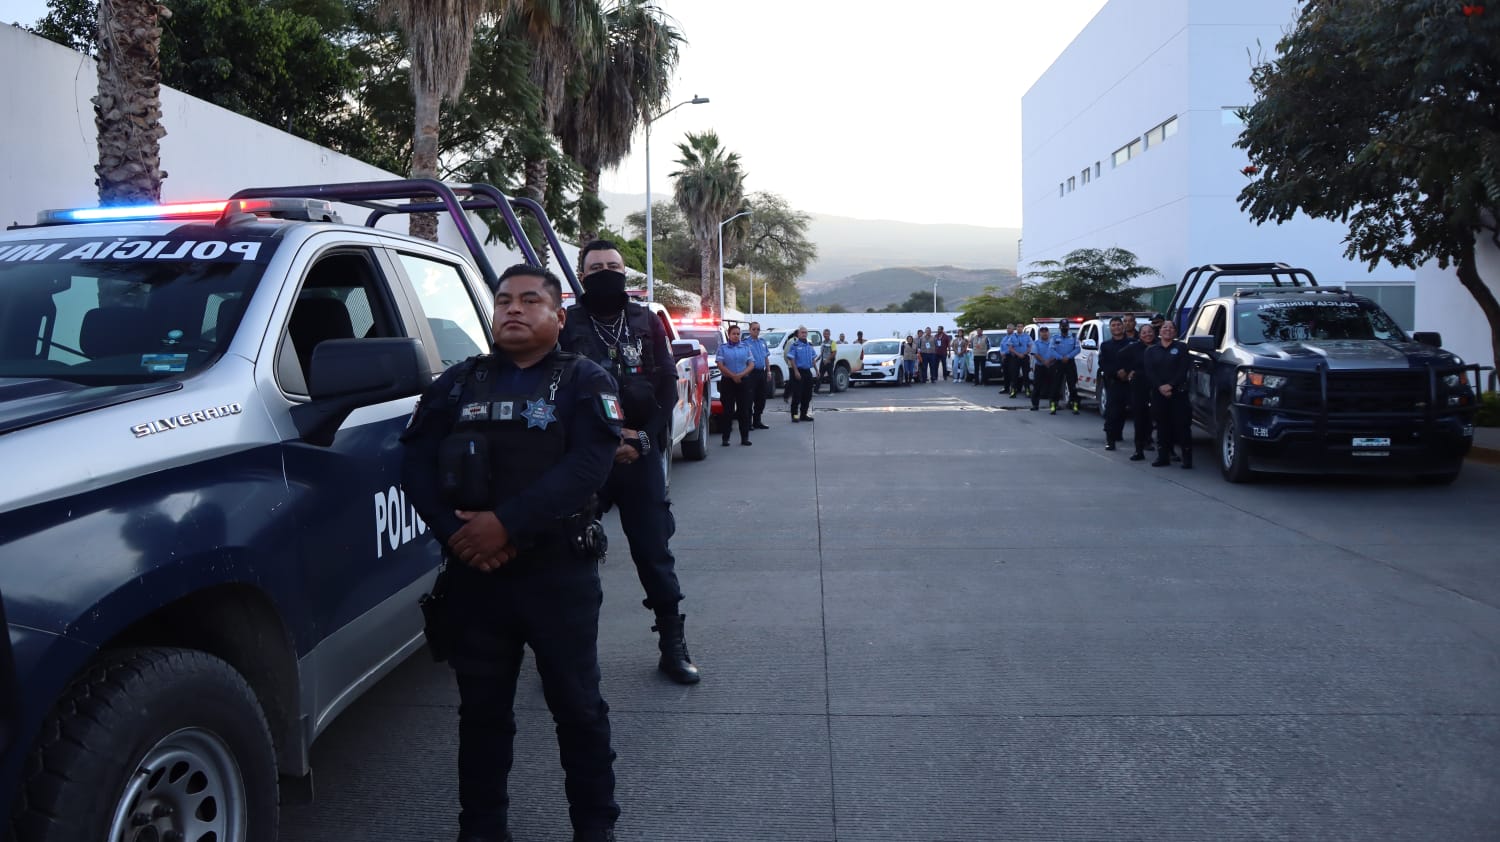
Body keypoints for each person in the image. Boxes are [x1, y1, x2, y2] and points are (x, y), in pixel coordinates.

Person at [401, 264, 621, 842]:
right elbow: (415, 463)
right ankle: (481, 828)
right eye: (503, 301)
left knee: (578, 709)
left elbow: (588, 467)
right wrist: (458, 535)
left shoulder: (585, 380)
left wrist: (505, 525)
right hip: (476, 577)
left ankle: (595, 827)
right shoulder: (459, 382)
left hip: (558, 575)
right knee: (481, 714)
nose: (514, 310)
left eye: (529, 300)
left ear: (558, 317)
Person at [559, 239, 700, 684]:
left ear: (625, 273)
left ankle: (673, 645)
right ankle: (569, 655)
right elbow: (556, 389)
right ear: (582, 276)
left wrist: (642, 437)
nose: (606, 272)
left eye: (613, 266)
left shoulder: (646, 320)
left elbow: (666, 384)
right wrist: (600, 442)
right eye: (596, 267)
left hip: (638, 453)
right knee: (570, 554)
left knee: (654, 551)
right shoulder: (566, 323)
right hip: (584, 460)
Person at [1145, 319, 1193, 468]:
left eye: (1171, 328)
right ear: (1159, 331)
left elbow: (1183, 369)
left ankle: (1187, 458)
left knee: (1182, 425)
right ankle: (1163, 456)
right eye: (1165, 327)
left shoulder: (1181, 348)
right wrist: (1160, 386)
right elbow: (1150, 371)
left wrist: (1171, 385)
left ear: (1175, 332)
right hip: (1159, 393)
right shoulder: (1151, 350)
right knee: (1162, 426)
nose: (1168, 330)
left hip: (1178, 393)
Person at [1120, 322, 1156, 461]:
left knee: (1159, 418)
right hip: (1139, 385)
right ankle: (1138, 450)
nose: (1147, 335)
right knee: (1140, 418)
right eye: (1144, 332)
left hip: (1157, 385)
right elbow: (1120, 357)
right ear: (1140, 335)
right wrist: (1129, 370)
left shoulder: (1159, 346)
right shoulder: (1134, 347)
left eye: (1150, 332)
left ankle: (1165, 450)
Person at [715, 324, 754, 446]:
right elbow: (720, 365)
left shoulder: (745, 347)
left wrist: (740, 375)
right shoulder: (723, 348)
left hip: (743, 381)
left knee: (744, 410)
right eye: (734, 334)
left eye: (738, 334)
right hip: (728, 382)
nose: (736, 336)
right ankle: (725, 438)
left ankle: (745, 438)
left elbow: (751, 364)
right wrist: (733, 376)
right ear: (729, 335)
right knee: (728, 411)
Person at [1098, 317, 1133, 450]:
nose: (1116, 327)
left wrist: (1127, 371)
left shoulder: (1131, 343)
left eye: (1119, 325)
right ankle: (1110, 440)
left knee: (1136, 411)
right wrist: (1116, 373)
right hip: (1114, 382)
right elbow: (1103, 363)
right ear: (1110, 328)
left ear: (1123, 327)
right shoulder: (1106, 345)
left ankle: (1144, 442)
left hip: (1130, 382)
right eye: (1113, 325)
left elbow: (1136, 360)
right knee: (1112, 412)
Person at [786, 325, 818, 421]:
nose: (804, 334)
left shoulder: (809, 345)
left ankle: (803, 414)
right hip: (798, 372)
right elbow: (792, 359)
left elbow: (813, 359)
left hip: (807, 372)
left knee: (807, 395)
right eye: (802, 332)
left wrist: (817, 370)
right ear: (798, 334)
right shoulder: (795, 345)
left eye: (805, 332)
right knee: (797, 395)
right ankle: (795, 415)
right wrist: (796, 371)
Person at [745, 321, 771, 429]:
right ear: (750, 330)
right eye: (754, 329)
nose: (756, 331)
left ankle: (757, 421)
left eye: (758, 329)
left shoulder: (762, 342)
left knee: (761, 398)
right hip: (751, 373)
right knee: (749, 398)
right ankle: (748, 423)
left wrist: (768, 371)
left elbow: (766, 358)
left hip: (762, 373)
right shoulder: (745, 343)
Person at [1053, 319, 1082, 414]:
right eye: (1062, 326)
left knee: (1072, 384)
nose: (1064, 328)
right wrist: (1060, 357)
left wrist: (1068, 357)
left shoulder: (1073, 337)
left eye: (1066, 326)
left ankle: (1074, 404)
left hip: (1070, 363)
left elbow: (1077, 349)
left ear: (1068, 327)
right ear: (1059, 327)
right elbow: (1051, 349)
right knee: (1056, 384)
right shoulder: (1055, 337)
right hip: (1059, 362)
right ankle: (1054, 404)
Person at [1030, 325, 1056, 412]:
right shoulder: (1036, 343)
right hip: (1040, 366)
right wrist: (1044, 362)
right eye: (1042, 332)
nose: (1044, 333)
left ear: (1049, 333)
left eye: (1046, 331)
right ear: (1040, 333)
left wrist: (1049, 361)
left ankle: (1053, 404)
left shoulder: (1053, 342)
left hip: (1051, 366)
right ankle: (1035, 405)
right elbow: (1035, 353)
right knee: (1037, 386)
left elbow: (1057, 352)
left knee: (1053, 386)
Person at [1005, 325, 1032, 399]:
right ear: (1016, 328)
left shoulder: (1027, 336)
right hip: (1015, 357)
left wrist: (1024, 354)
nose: (1019, 328)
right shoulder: (1012, 337)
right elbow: (1010, 347)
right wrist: (1018, 354)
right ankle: (1013, 391)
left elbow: (1030, 347)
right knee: (1014, 375)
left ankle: (1027, 390)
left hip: (1024, 357)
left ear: (1023, 328)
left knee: (1026, 375)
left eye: (1021, 327)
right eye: (1018, 327)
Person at [815, 328, 836, 393]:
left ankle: (832, 391)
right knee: (820, 376)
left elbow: (834, 353)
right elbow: (822, 353)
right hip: (823, 361)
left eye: (827, 334)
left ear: (829, 334)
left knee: (831, 377)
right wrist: (817, 359)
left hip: (829, 362)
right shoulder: (823, 343)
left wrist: (828, 359)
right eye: (824, 334)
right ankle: (816, 391)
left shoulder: (832, 342)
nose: (826, 335)